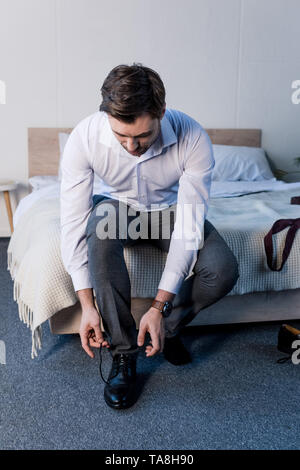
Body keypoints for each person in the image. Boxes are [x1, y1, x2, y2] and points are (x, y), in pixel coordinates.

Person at [60, 63, 239, 409]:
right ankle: (124, 353)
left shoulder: (193, 137)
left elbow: (188, 228)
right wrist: (86, 304)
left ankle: (167, 328)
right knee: (98, 226)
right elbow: (72, 221)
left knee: (222, 269)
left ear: (161, 112)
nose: (131, 146)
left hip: (170, 212)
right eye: (121, 136)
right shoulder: (84, 137)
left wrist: (159, 306)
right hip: (118, 207)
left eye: (142, 136)